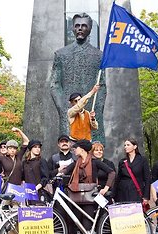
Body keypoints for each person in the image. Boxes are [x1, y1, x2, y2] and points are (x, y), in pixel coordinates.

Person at [50, 12, 106, 144]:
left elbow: (102, 85)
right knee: (69, 150)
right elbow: (54, 84)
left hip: (90, 112)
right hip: (70, 111)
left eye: (84, 26)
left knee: (93, 152)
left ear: (90, 29)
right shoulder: (61, 54)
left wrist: (96, 110)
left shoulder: (99, 56)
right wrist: (62, 108)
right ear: (73, 28)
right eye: (77, 25)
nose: (80, 28)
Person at [60, 139, 115, 234]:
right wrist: (56, 173)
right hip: (76, 197)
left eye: (76, 148)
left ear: (82, 149)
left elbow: (111, 173)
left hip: (90, 198)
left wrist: (105, 188)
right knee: (78, 224)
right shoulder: (76, 163)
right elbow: (64, 171)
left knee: (87, 225)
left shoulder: (95, 162)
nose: (74, 150)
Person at [115, 138, 152, 207]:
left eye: (128, 145)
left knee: (136, 215)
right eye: (125, 145)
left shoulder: (142, 160)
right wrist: (113, 194)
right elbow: (118, 179)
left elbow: (147, 179)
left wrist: (146, 196)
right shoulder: (122, 161)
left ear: (135, 146)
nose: (126, 147)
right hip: (123, 192)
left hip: (136, 192)